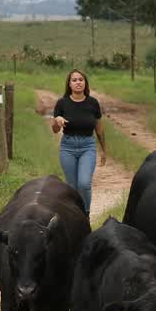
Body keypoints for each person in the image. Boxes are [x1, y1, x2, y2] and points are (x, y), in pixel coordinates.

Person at [51, 69, 107, 213]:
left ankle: (86, 214)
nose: (78, 82)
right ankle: (74, 215)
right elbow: (55, 130)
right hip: (67, 147)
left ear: (85, 83)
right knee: (72, 186)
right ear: (69, 84)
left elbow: (99, 129)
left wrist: (104, 150)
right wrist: (57, 121)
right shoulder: (62, 103)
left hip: (87, 146)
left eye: (81, 79)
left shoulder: (93, 103)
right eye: (74, 80)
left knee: (84, 183)